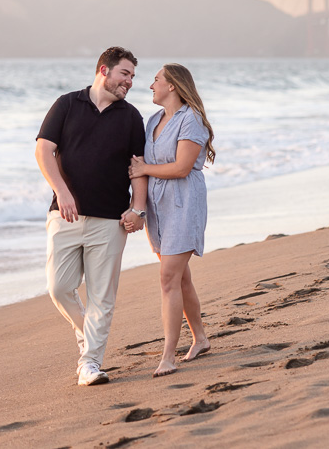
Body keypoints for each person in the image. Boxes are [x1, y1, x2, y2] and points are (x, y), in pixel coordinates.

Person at [35, 46, 147, 386]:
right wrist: (62, 192)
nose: (129, 82)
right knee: (59, 287)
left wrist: (137, 209)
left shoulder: (131, 117)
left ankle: (90, 364)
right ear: (104, 70)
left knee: (103, 297)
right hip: (65, 216)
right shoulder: (68, 104)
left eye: (133, 77)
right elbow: (43, 149)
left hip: (111, 221)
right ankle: (88, 334)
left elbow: (138, 169)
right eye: (124, 74)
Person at [128, 63, 215, 377]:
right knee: (181, 278)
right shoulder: (153, 121)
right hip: (158, 208)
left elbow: (181, 168)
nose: (151, 85)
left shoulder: (190, 120)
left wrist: (144, 170)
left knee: (168, 279)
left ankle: (168, 355)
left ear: (173, 86)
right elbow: (139, 164)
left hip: (183, 204)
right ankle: (201, 338)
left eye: (156, 80)